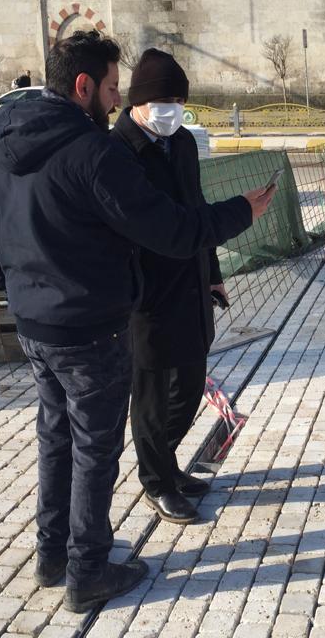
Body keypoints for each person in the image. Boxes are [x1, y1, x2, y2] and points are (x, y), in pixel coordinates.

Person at [0, 31, 275, 613]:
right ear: (83, 86)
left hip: (36, 326)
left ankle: (52, 554)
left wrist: (18, 293)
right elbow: (170, 230)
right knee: (94, 450)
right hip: (91, 327)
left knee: (56, 439)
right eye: (112, 87)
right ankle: (87, 572)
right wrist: (243, 211)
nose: (116, 101)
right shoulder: (94, 151)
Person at [110, 49, 229, 526]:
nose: (171, 109)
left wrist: (213, 270)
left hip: (191, 281)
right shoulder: (117, 150)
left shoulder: (179, 143)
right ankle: (156, 481)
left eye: (179, 99)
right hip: (146, 294)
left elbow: (197, 212)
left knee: (191, 381)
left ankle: (165, 462)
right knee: (153, 394)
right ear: (139, 101)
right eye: (163, 99)